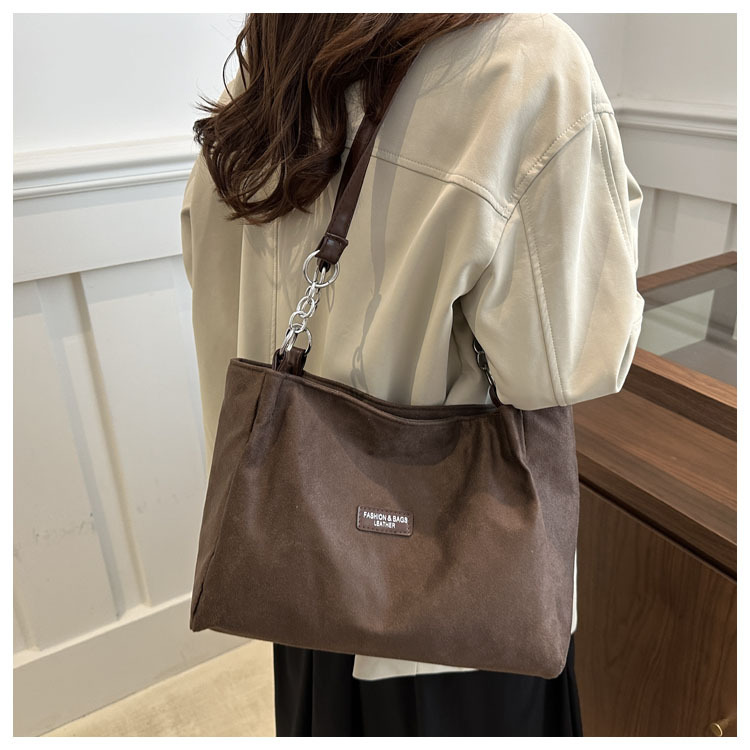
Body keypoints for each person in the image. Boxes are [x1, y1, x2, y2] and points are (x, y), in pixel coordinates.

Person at [180, 12, 644, 737]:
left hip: (295, 562)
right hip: (456, 608)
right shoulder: (526, 62)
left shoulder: (271, 60)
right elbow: (569, 362)